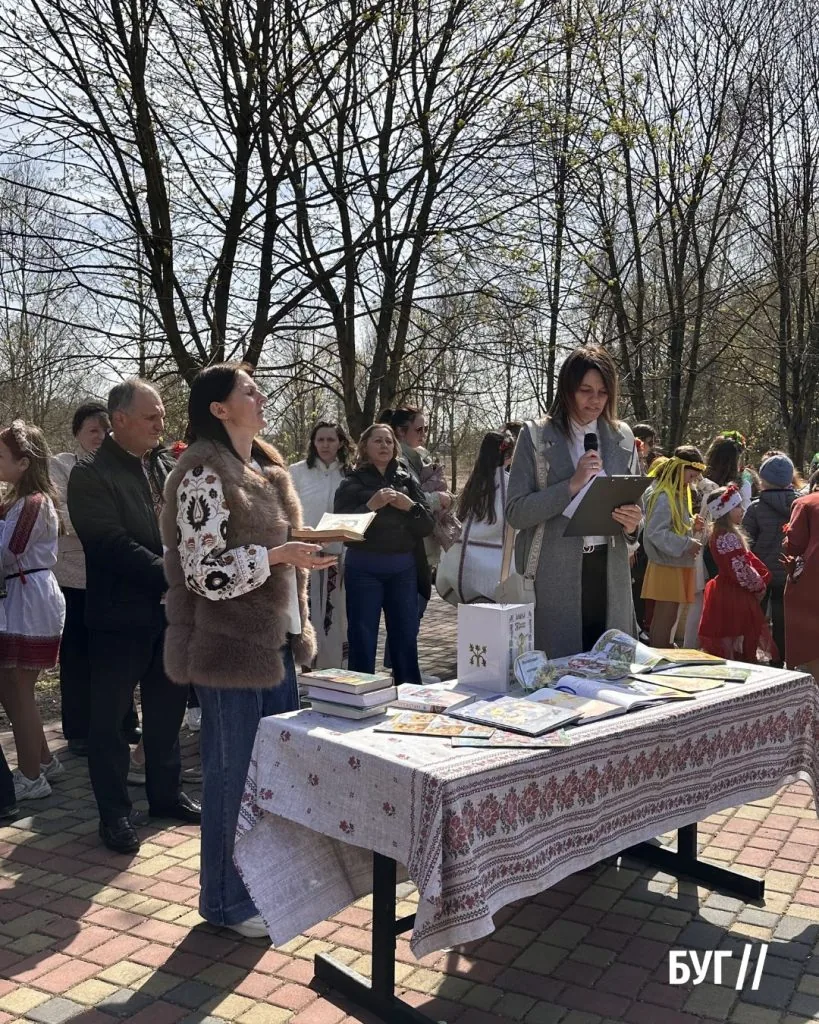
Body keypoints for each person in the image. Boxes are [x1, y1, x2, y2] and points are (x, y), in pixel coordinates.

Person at [161, 363, 328, 938]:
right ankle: (225, 904)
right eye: (248, 391)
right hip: (228, 650)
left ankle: (260, 889)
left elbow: (269, 549)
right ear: (219, 408)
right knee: (232, 778)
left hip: (276, 644)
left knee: (271, 778)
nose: (260, 397)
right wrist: (278, 556)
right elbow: (202, 572)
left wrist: (306, 548)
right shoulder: (202, 474)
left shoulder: (264, 468)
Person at [68, 379, 199, 854]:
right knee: (108, 724)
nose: (160, 424)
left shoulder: (165, 466)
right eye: (151, 416)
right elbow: (109, 543)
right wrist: (173, 575)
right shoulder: (90, 474)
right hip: (119, 618)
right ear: (118, 420)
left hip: (171, 618)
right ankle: (115, 815)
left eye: (162, 415)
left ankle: (165, 795)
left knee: (167, 714)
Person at [505, 345, 643, 656]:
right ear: (567, 389)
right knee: (561, 672)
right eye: (585, 390)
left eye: (603, 392)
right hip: (554, 576)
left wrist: (633, 525)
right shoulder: (535, 436)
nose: (595, 400)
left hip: (610, 574)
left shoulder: (622, 436)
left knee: (609, 668)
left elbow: (638, 514)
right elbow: (516, 512)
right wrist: (571, 485)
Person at [51, 401, 141, 757]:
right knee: (76, 654)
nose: (101, 436)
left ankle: (124, 720)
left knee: (117, 653)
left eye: (107, 429)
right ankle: (78, 730)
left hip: (116, 573)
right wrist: (107, 523)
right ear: (77, 433)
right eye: (93, 430)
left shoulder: (124, 466)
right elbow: (61, 514)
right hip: (75, 575)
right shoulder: (61, 466)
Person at [334, 423, 433, 682]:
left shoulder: (407, 479)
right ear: (365, 447)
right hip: (363, 569)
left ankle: (410, 693)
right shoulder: (351, 481)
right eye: (378, 441)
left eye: (389, 441)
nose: (384, 445)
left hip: (403, 569)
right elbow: (341, 529)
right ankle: (360, 694)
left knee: (405, 637)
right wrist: (371, 505)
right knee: (362, 637)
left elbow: (427, 525)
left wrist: (410, 507)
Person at [0, 422, 66, 800]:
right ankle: (42, 760)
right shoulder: (21, 501)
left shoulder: (33, 503)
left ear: (24, 462)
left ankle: (31, 777)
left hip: (30, 597)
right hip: (24, 594)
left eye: (1, 457)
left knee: (19, 688)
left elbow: (9, 552)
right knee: (12, 686)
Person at [290, 422, 350, 668]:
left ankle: (335, 669)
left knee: (336, 616)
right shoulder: (297, 472)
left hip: (339, 555)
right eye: (320, 440)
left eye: (331, 440)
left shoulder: (349, 474)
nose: (325, 445)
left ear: (341, 443)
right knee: (307, 613)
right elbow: (287, 509)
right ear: (313, 443)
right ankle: (307, 668)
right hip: (305, 554)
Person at [436, 430, 514, 604]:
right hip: (496, 570)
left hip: (466, 568)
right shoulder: (510, 485)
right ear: (507, 456)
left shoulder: (473, 484)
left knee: (473, 616)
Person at [698, 484, 774, 663]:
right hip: (735, 594)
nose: (742, 510)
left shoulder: (723, 534)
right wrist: (759, 586)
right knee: (738, 638)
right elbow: (740, 568)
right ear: (725, 511)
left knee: (733, 639)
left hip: (727, 590)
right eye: (737, 506)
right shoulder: (727, 536)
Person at [640, 446, 706, 647]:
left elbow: (672, 524)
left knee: (669, 615)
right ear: (679, 469)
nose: (691, 482)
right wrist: (687, 543)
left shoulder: (674, 493)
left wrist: (691, 525)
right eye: (691, 476)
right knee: (665, 615)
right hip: (666, 565)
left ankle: (662, 649)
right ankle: (659, 652)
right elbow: (656, 532)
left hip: (673, 563)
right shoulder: (663, 496)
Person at [743, 453, 797, 667]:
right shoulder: (798, 506)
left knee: (755, 616)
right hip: (789, 570)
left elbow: (746, 540)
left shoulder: (755, 508)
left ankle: (750, 655)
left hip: (760, 573)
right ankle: (781, 658)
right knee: (783, 618)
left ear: (763, 479)